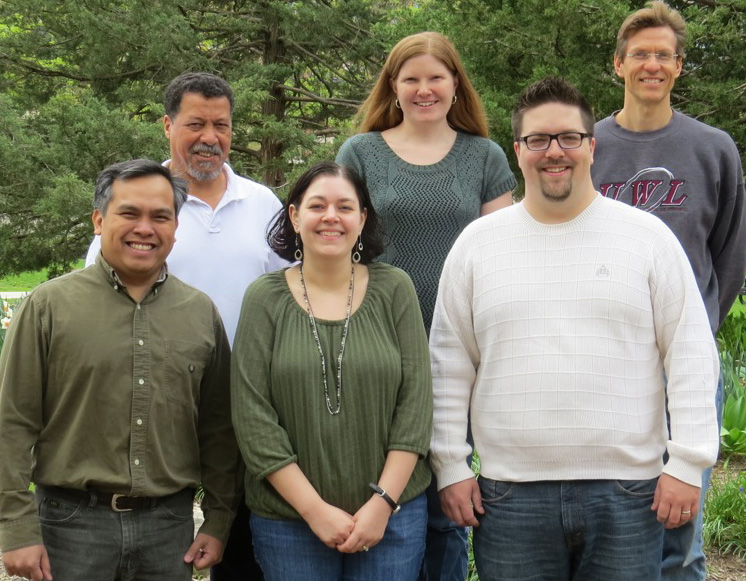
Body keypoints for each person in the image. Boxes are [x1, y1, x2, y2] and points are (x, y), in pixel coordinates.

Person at [429, 76, 720, 581]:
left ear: (592, 146)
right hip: (509, 496)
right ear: (517, 151)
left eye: (568, 138)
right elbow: (449, 363)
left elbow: (691, 352)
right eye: (538, 140)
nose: (554, 152)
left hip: (630, 495)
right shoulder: (477, 246)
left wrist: (688, 462)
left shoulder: (647, 238)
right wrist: (451, 466)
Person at [85, 72, 287, 580]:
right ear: (167, 125)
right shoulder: (139, 204)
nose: (210, 137)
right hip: (152, 405)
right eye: (195, 123)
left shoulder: (263, 204)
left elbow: (291, 297)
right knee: (157, 537)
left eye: (221, 124)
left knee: (239, 544)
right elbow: (97, 298)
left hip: (242, 403)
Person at [0, 159, 240, 581]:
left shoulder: (200, 313)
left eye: (160, 216)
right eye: (129, 213)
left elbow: (218, 428)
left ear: (175, 227)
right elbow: (11, 422)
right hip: (72, 527)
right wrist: (15, 525)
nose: (145, 228)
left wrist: (219, 518)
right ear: (99, 219)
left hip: (170, 530)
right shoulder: (48, 307)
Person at [335, 31, 516, 580]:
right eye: (410, 78)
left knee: (446, 500)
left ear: (455, 83)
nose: (424, 89)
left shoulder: (483, 156)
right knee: (379, 486)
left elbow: (501, 254)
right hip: (376, 346)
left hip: (455, 352)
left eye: (435, 77)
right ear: (393, 86)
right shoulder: (360, 152)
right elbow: (338, 240)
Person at [590, 3, 746, 578]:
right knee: (613, 530)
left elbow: (728, 256)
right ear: (618, 64)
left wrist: (694, 328)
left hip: (685, 365)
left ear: (679, 67)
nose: (651, 65)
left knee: (681, 538)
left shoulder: (713, 149)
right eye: (640, 55)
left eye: (663, 55)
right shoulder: (588, 147)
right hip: (603, 363)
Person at [230, 162, 432, 581]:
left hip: (391, 520)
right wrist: (314, 510)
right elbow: (252, 416)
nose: (331, 217)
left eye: (345, 206)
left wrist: (382, 504)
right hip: (289, 521)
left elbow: (415, 406)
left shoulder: (395, 288)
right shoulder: (263, 299)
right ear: (294, 215)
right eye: (317, 205)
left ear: (362, 218)